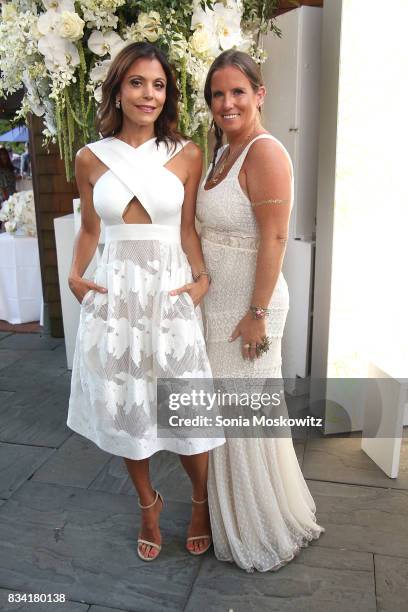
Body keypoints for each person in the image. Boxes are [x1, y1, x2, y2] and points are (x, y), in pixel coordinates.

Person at [67, 42, 225, 562]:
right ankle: (148, 504)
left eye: (158, 85)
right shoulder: (90, 157)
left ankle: (200, 502)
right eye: (137, 82)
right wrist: (74, 273)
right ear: (118, 88)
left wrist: (201, 280)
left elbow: (186, 229)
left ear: (168, 94)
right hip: (116, 299)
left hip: (169, 292)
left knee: (186, 407)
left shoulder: (186, 154)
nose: (148, 94)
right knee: (124, 407)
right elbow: (91, 229)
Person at [196, 50, 325, 571]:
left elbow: (275, 238)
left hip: (251, 305)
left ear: (259, 94)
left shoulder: (265, 152)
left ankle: (258, 525)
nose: (227, 103)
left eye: (237, 92)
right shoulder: (223, 151)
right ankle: (233, 514)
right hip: (220, 301)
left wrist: (256, 312)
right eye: (217, 95)